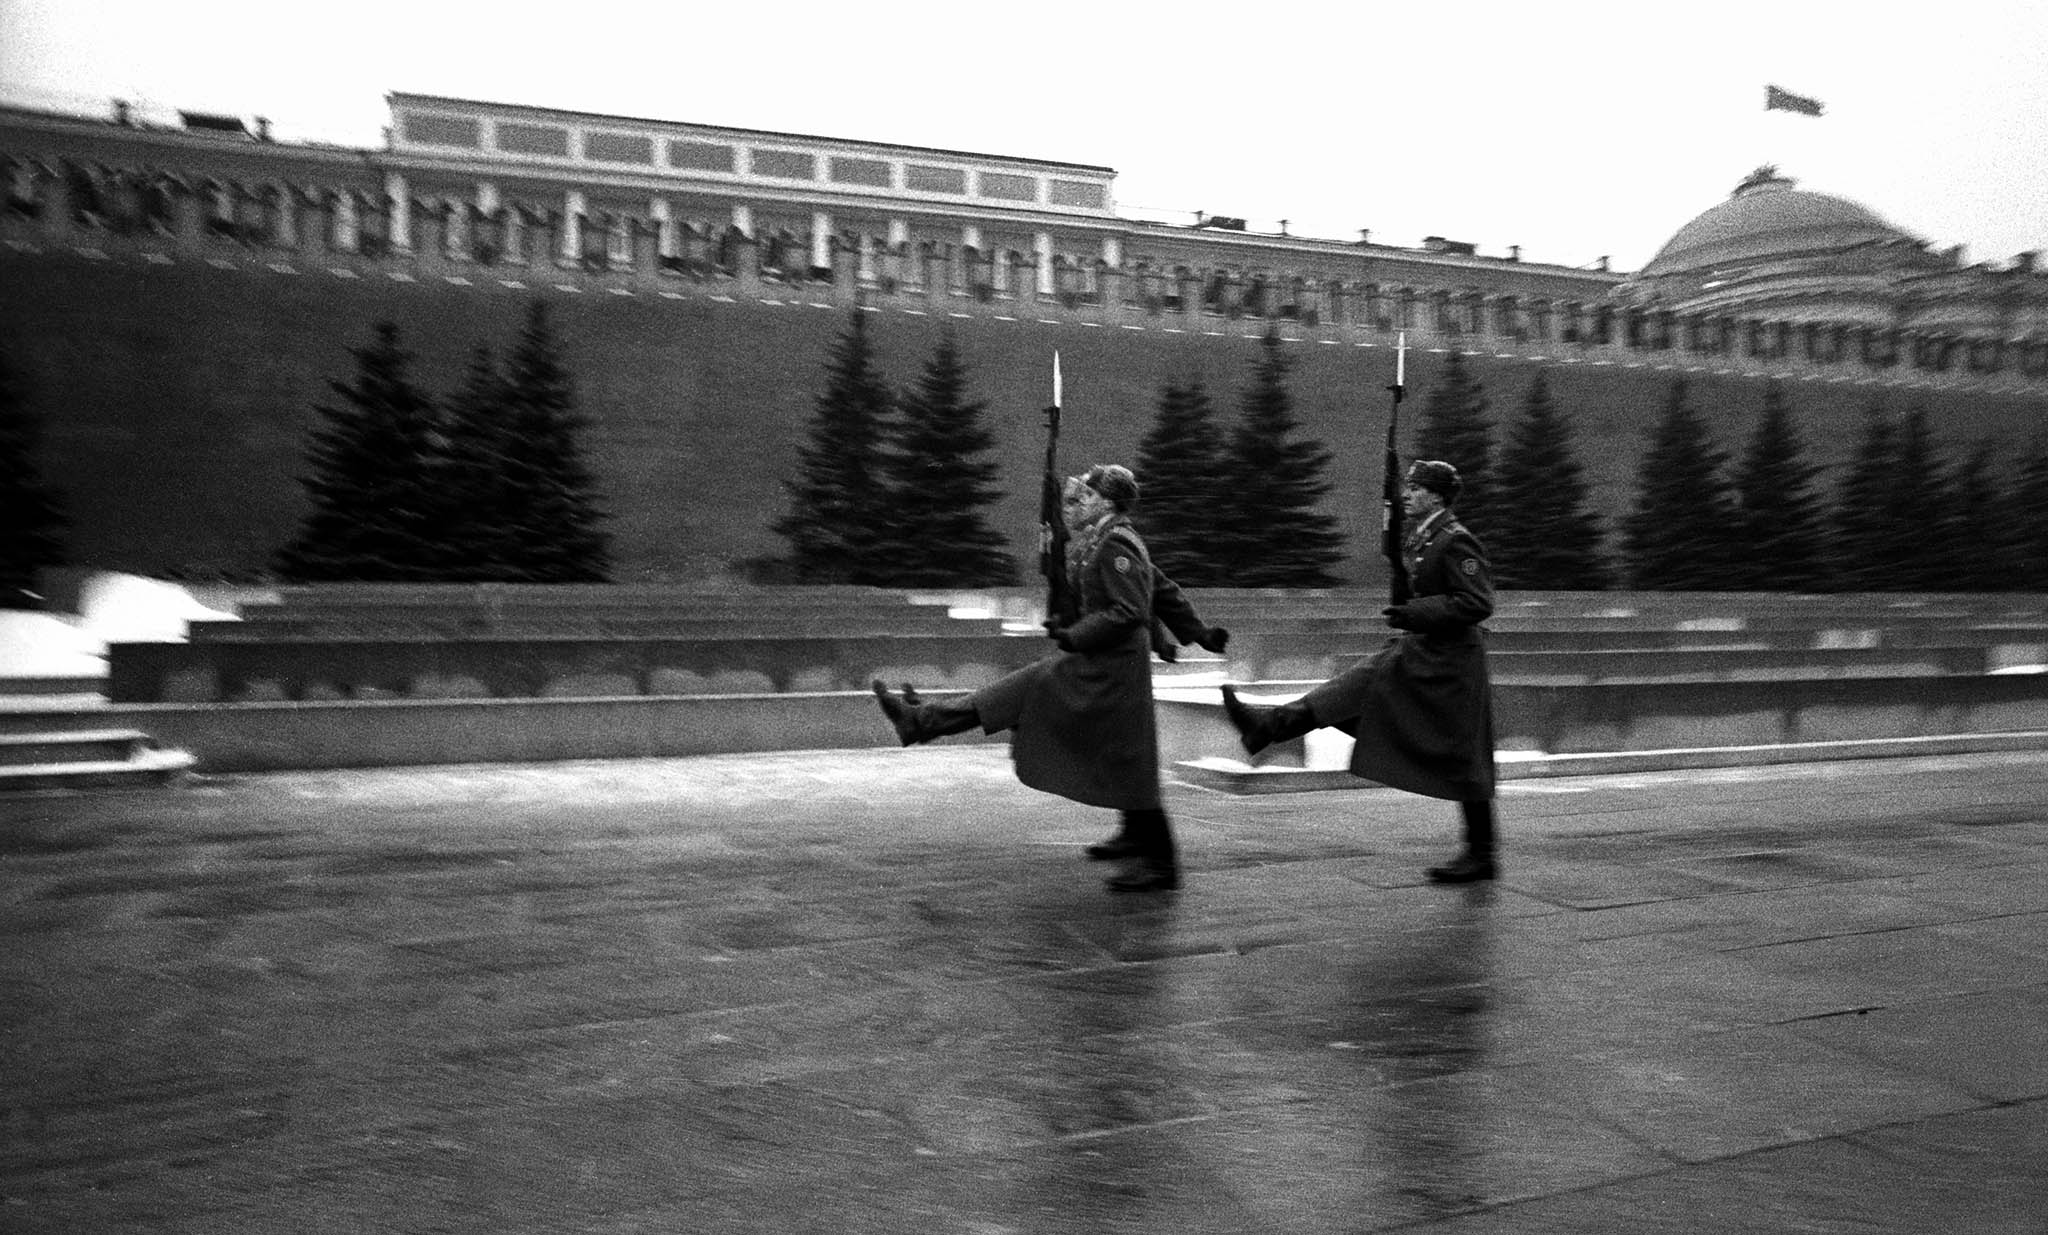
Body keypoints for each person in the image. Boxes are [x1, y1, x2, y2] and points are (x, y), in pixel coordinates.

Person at [872, 463, 1227, 893]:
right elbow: (1161, 588)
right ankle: (1136, 836)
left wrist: (1075, 635)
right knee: (1116, 749)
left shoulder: (1116, 542)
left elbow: (1129, 610)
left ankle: (1161, 866)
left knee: (1113, 745)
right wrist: (1198, 632)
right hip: (1102, 659)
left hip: (1109, 666)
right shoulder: (1106, 538)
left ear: (1109, 502)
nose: (1080, 502)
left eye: (1090, 495)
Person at [1219, 459, 1500, 883]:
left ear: (1437, 496)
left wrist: (1415, 612)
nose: (1407, 494)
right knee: (1351, 690)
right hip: (1421, 652)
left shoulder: (1456, 540)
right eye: (1406, 486)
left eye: (1415, 487)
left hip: (1450, 663)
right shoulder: (1425, 537)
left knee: (1462, 756)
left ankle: (1482, 854)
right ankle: (1268, 725)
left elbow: (1478, 603)